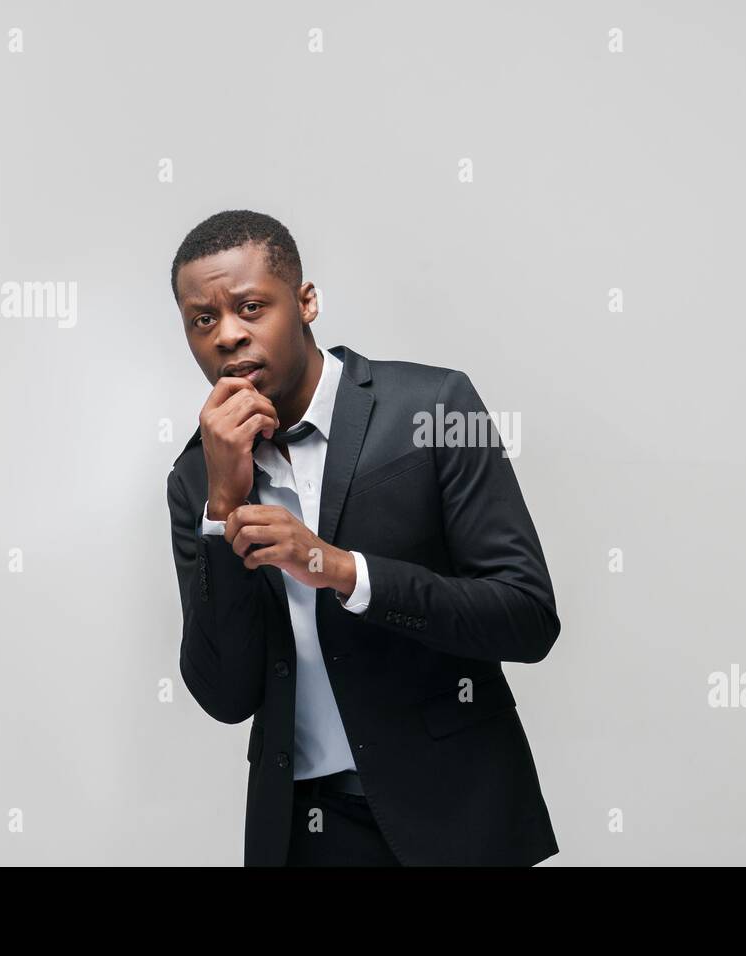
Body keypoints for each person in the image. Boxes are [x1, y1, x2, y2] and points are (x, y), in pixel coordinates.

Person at [165, 209, 561, 865]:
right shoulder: (193, 479)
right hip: (304, 836)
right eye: (203, 320)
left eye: (251, 306)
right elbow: (226, 696)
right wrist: (222, 505)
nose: (229, 335)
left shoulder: (434, 409)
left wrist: (340, 569)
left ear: (306, 301)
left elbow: (526, 617)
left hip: (457, 816)